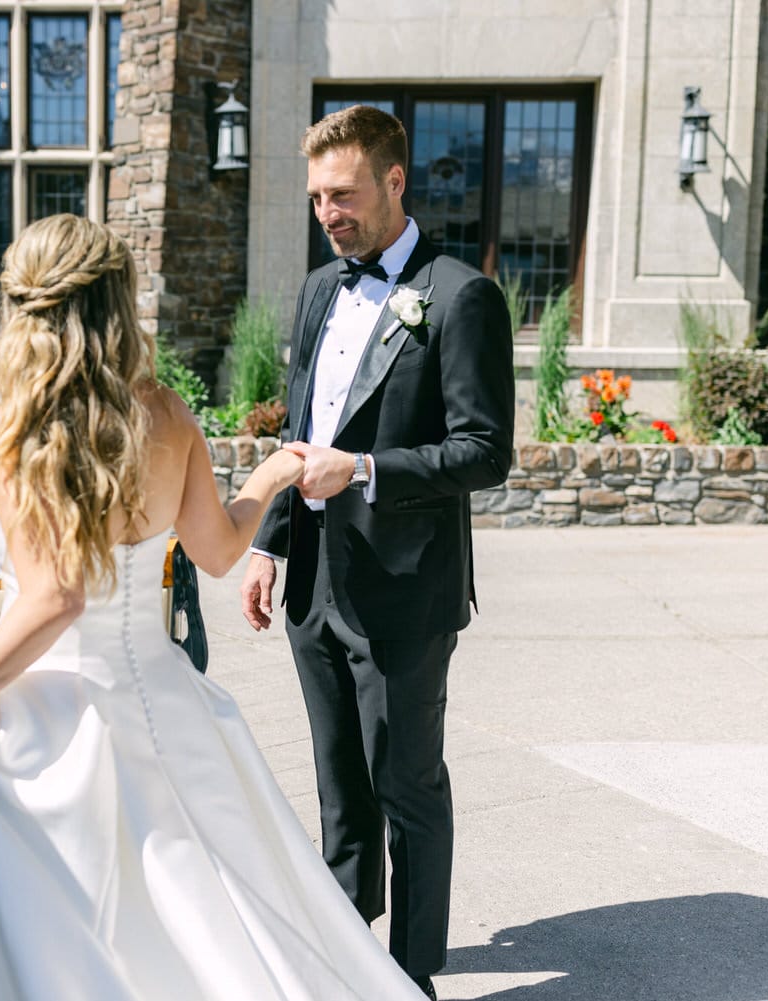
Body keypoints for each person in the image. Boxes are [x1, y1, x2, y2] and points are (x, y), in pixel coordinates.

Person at [0, 214, 431, 1000]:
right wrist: (272, 476)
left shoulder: (12, 432)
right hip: (157, 689)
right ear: (119, 306)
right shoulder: (167, 416)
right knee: (204, 897)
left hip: (49, 711)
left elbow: (55, 597)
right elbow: (219, 552)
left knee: (34, 877)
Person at [240, 105, 515, 998]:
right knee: (337, 786)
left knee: (406, 785)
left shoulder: (462, 295)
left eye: (345, 194)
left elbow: (484, 451)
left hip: (406, 590)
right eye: (319, 196)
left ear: (397, 182)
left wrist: (361, 469)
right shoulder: (322, 288)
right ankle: (346, 952)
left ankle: (412, 973)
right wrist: (268, 546)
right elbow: (299, 428)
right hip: (316, 584)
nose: (329, 212)